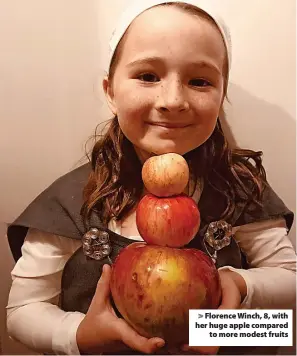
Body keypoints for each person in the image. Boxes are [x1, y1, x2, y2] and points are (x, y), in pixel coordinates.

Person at [6, 0, 296, 355]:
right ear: (110, 91)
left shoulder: (241, 191)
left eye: (200, 81)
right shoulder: (71, 201)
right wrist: (80, 334)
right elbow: (21, 313)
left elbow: (283, 313)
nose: (172, 100)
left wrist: (234, 305)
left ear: (221, 96)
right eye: (147, 76)